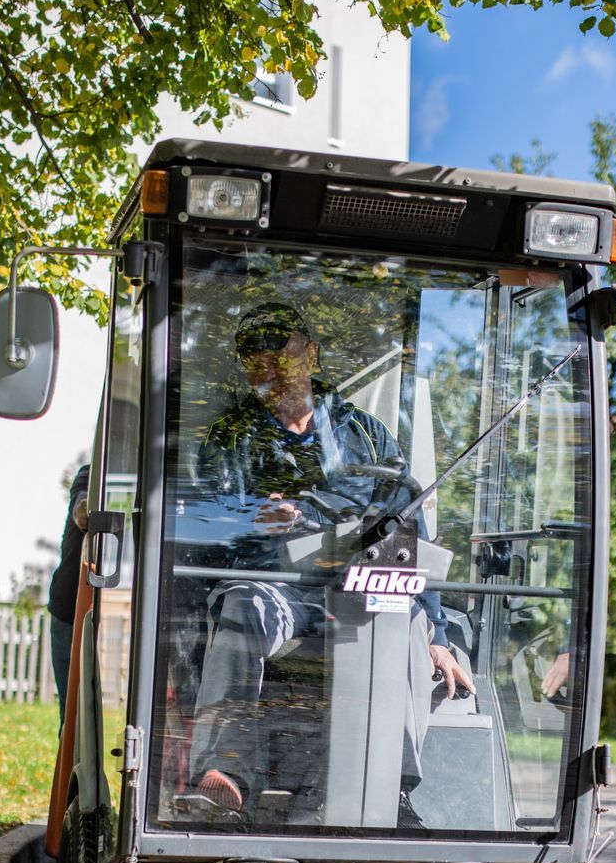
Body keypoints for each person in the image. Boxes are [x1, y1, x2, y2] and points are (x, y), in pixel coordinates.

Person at [186, 301, 474, 825]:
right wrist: (253, 518)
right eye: (254, 356)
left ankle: (392, 788)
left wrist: (436, 630)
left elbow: (410, 531)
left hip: (358, 590)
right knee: (242, 603)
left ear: (311, 354)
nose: (268, 367)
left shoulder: (365, 434)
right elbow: (201, 519)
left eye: (281, 352)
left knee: (405, 618)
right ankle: (224, 774)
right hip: (274, 588)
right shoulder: (228, 438)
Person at [47, 463, 90, 721]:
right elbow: (81, 509)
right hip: (70, 613)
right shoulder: (90, 476)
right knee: (72, 716)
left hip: (113, 613)